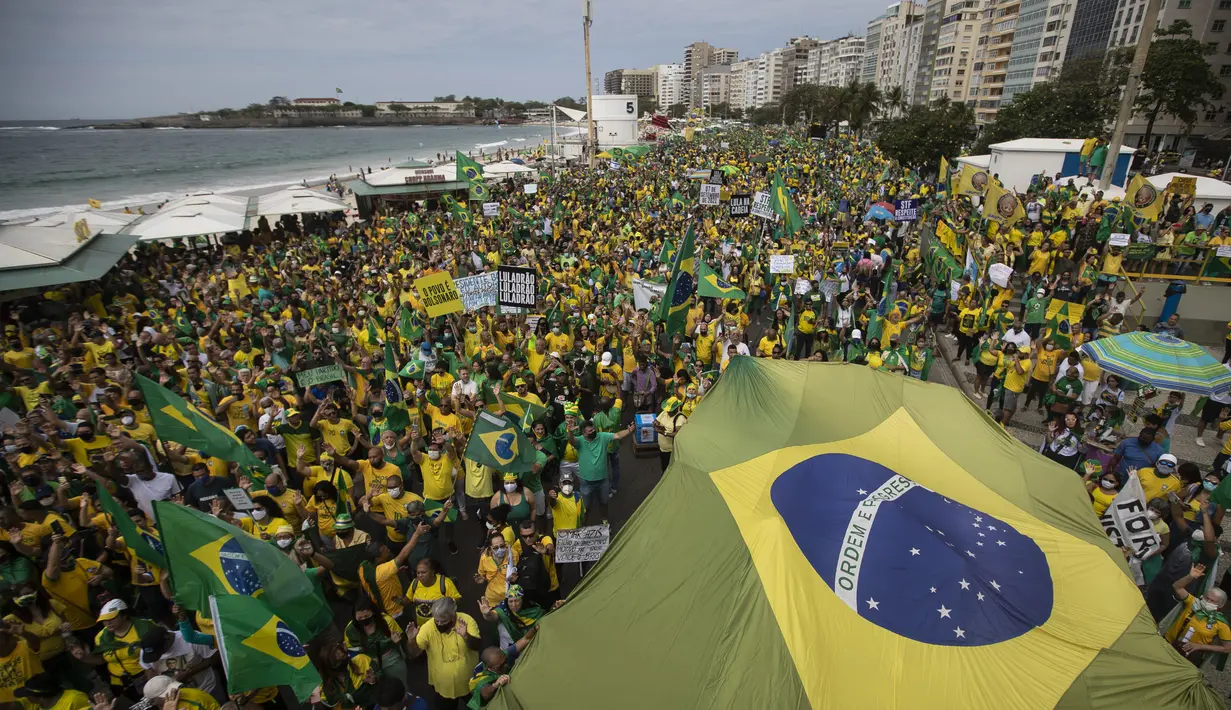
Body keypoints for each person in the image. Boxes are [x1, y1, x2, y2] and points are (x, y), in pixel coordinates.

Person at [405, 598, 481, 710]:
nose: (439, 624)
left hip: (470, 683)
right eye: (437, 620)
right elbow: (414, 654)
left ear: (453, 615)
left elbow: (477, 646)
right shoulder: (428, 628)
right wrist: (411, 640)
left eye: (443, 621)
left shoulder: (466, 621)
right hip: (443, 687)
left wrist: (466, 636)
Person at [566, 420, 634, 525]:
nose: (593, 431)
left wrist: (628, 431)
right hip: (586, 482)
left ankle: (605, 521)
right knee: (586, 507)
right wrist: (570, 432)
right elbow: (571, 441)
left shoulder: (602, 436)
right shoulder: (579, 442)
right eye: (590, 431)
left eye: (593, 429)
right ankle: (582, 526)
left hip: (603, 480)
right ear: (584, 433)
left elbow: (617, 435)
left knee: (604, 503)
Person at [1163, 564, 1231, 666]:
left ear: (1220, 605)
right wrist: (1190, 577)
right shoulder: (1193, 603)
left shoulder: (1221, 624)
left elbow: (1227, 648)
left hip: (1189, 656)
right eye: (1207, 598)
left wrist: (1199, 646)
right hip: (1168, 643)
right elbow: (1177, 586)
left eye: (1213, 601)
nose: (1208, 601)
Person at [477, 585, 543, 657]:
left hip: (530, 651)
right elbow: (492, 616)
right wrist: (486, 614)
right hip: (507, 653)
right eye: (510, 601)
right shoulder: (503, 611)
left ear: (523, 600)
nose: (514, 605)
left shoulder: (534, 610)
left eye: (517, 601)